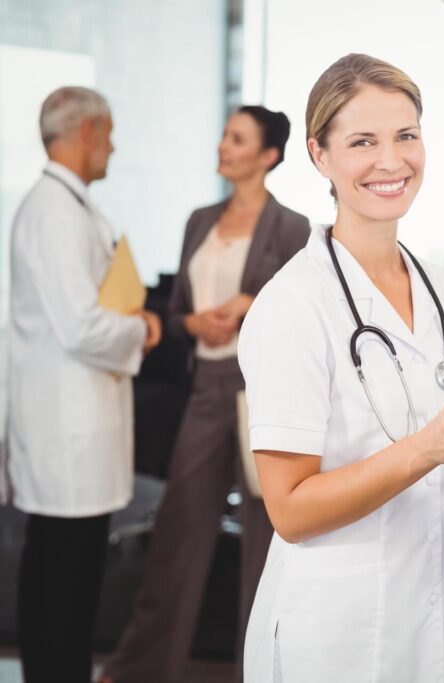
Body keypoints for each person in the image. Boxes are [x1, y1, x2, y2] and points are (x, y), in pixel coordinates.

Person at [236, 53, 444, 682]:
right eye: (363, 141)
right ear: (319, 155)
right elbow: (290, 509)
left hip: (433, 614)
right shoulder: (292, 304)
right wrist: (426, 449)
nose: (392, 161)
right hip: (333, 629)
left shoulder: (442, 289)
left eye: (406, 136)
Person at [101, 106, 309, 683]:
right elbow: (175, 311)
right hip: (206, 393)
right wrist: (194, 325)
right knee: (178, 533)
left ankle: (268, 671)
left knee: (268, 549)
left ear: (267, 156)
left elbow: (304, 314)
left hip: (262, 399)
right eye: (224, 135)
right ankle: (138, 667)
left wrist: (250, 306)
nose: (223, 146)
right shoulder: (200, 220)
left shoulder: (293, 228)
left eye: (236, 139)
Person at [5, 86, 161, 683]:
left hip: (78, 420)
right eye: (110, 132)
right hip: (67, 426)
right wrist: (141, 327)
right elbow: (79, 325)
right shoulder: (53, 212)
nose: (114, 146)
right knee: (63, 580)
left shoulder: (69, 207)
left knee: (66, 574)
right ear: (88, 132)